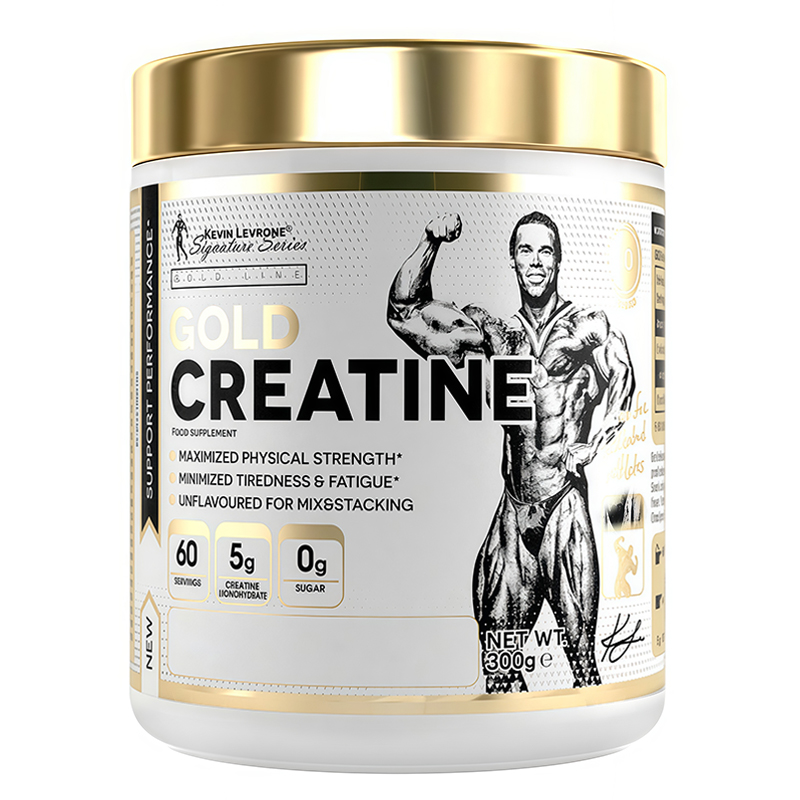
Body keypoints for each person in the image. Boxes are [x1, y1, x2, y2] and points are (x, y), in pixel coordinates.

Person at [387, 210, 635, 691]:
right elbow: (404, 314)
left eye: (545, 251)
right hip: (514, 507)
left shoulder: (586, 328)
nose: (535, 261)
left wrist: (595, 442)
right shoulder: (496, 335)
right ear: (513, 260)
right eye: (525, 250)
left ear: (558, 260)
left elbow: (624, 382)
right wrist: (430, 242)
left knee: (584, 665)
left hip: (563, 503)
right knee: (498, 669)